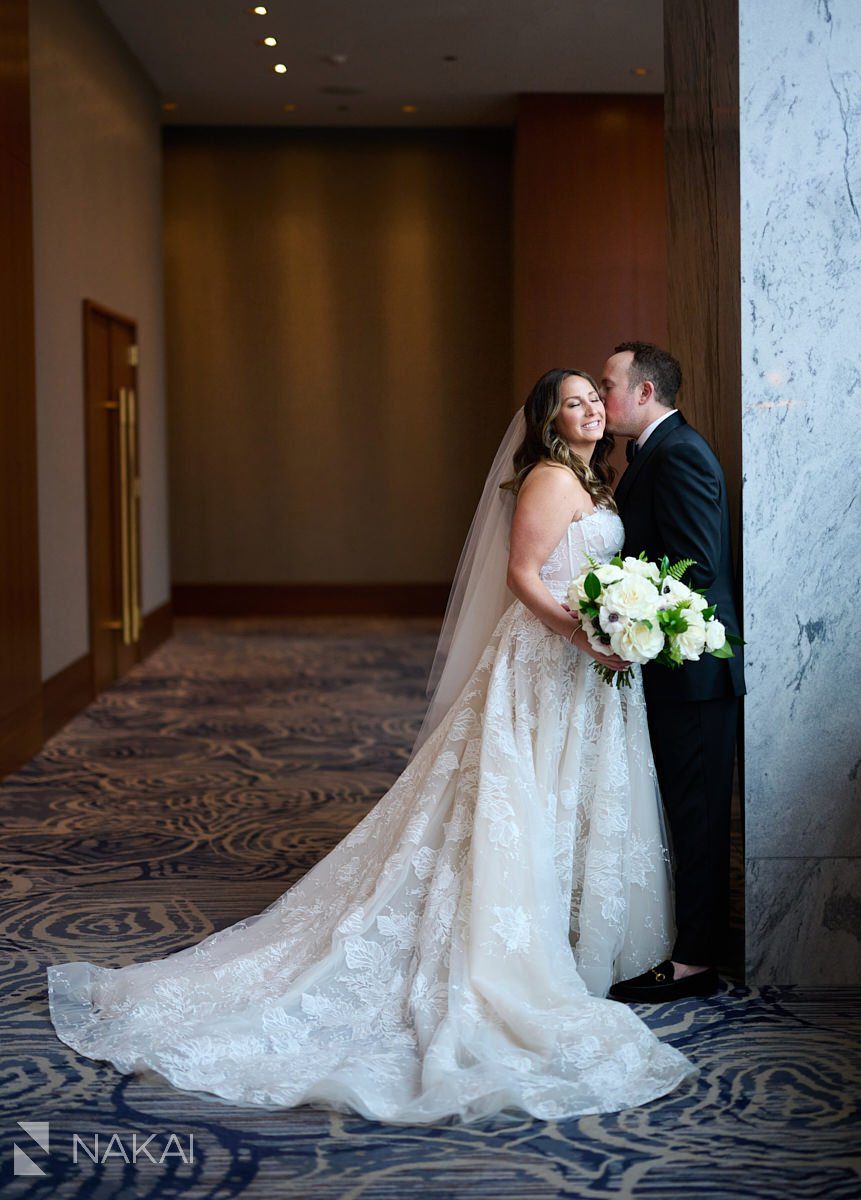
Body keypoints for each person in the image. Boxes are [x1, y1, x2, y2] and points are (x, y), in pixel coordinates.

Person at [46, 368, 695, 1125]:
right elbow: (523, 578)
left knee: (556, 794)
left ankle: (568, 932)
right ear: (549, 422)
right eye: (573, 402)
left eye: (594, 398)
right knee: (515, 796)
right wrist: (584, 634)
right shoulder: (551, 479)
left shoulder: (591, 478)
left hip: (577, 670)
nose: (589, 408)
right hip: (546, 663)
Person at [599, 342, 746, 1003]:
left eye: (608, 385)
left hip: (692, 677)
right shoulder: (650, 453)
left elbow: (696, 568)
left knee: (696, 818)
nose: (603, 399)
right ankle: (687, 944)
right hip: (671, 674)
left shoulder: (680, 454)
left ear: (644, 392)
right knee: (681, 814)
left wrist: (618, 603)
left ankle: (694, 961)